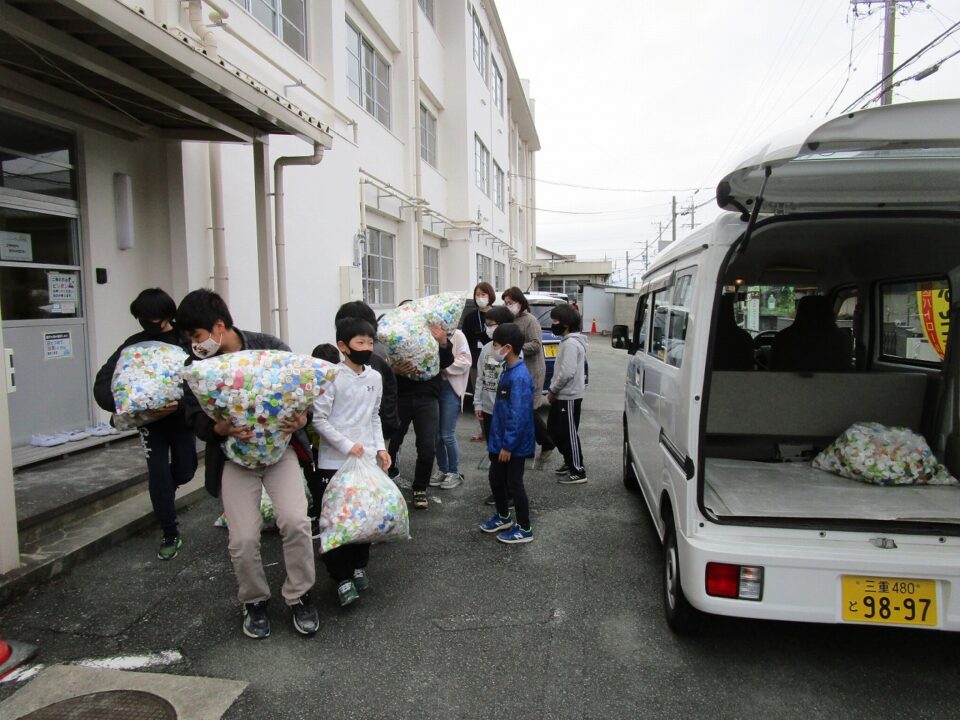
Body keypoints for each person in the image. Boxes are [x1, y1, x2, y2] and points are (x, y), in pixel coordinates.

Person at [176, 288, 319, 640]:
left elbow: (302, 391)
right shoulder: (198, 368)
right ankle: (254, 600)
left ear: (219, 326)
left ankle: (300, 595)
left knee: (296, 522)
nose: (195, 344)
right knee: (242, 538)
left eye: (197, 335)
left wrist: (303, 419)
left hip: (280, 453)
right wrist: (217, 429)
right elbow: (192, 414)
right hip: (234, 460)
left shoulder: (269, 347)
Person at [93, 288, 198, 561]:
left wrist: (180, 405)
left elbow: (201, 380)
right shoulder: (133, 345)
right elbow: (103, 383)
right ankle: (169, 531)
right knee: (158, 473)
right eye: (141, 317)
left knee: (186, 471)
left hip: (180, 419)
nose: (147, 323)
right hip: (150, 423)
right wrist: (129, 404)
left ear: (168, 315)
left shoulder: (185, 341)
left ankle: (164, 495)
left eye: (153, 318)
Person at [312, 318, 391, 607]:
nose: (367, 348)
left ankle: (358, 566)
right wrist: (347, 445)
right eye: (360, 342)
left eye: (370, 342)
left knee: (363, 518)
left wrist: (380, 448)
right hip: (334, 462)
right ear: (343, 346)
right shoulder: (330, 377)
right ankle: (341, 576)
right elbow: (319, 419)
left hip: (366, 460)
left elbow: (374, 416)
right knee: (336, 521)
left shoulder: (375, 377)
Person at [387, 304, 454, 510]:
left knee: (427, 447)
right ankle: (384, 483)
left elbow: (446, 362)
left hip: (427, 397)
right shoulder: (393, 337)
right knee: (392, 442)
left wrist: (443, 342)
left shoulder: (432, 333)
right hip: (401, 397)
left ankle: (420, 488)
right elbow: (381, 365)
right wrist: (393, 369)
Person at [478, 323, 535, 544]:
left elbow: (518, 414)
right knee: (496, 478)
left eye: (496, 345)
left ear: (508, 348)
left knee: (514, 484)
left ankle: (525, 528)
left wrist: (508, 445)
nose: (494, 349)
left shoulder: (518, 376)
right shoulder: (508, 370)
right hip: (501, 439)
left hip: (512, 445)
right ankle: (503, 516)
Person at [501, 287, 555, 468]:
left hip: (532, 370)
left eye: (511, 302)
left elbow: (536, 345)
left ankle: (547, 441)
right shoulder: (509, 320)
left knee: (527, 409)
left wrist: (515, 347)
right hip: (516, 371)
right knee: (521, 409)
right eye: (506, 303)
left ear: (520, 302)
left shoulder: (530, 320)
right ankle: (529, 447)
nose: (508, 306)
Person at [334, 301, 400, 442]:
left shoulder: (372, 362)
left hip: (371, 436)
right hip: (351, 438)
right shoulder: (334, 373)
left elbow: (378, 407)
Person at [473, 306, 515, 507]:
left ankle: (510, 493)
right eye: (487, 325)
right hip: (489, 409)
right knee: (493, 452)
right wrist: (477, 403)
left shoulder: (513, 350)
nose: (488, 329)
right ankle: (499, 491)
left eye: (491, 325)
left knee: (508, 454)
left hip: (506, 411)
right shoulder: (487, 349)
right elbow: (480, 378)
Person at [546, 305, 589, 484]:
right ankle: (569, 460)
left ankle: (578, 470)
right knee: (554, 430)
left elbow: (567, 372)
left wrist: (553, 390)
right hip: (563, 394)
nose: (552, 324)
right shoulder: (567, 341)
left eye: (555, 320)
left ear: (566, 324)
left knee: (568, 433)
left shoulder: (571, 343)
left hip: (568, 396)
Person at [304, 343, 342, 537]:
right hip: (321, 446)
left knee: (321, 485)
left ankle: (324, 519)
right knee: (322, 484)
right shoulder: (311, 384)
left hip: (324, 446)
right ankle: (323, 517)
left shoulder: (312, 384)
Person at [431, 327, 471, 489]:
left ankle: (454, 472)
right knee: (436, 435)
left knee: (447, 434)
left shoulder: (457, 335)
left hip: (450, 387)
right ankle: (443, 469)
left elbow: (465, 361)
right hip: (434, 387)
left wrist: (442, 365)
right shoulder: (427, 334)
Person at [462, 282, 497, 441]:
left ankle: (497, 429)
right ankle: (484, 431)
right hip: (476, 361)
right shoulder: (470, 317)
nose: (480, 297)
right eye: (477, 295)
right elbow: (465, 341)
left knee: (495, 395)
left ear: (490, 296)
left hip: (496, 360)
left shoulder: (499, 314)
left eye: (483, 294)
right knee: (479, 396)